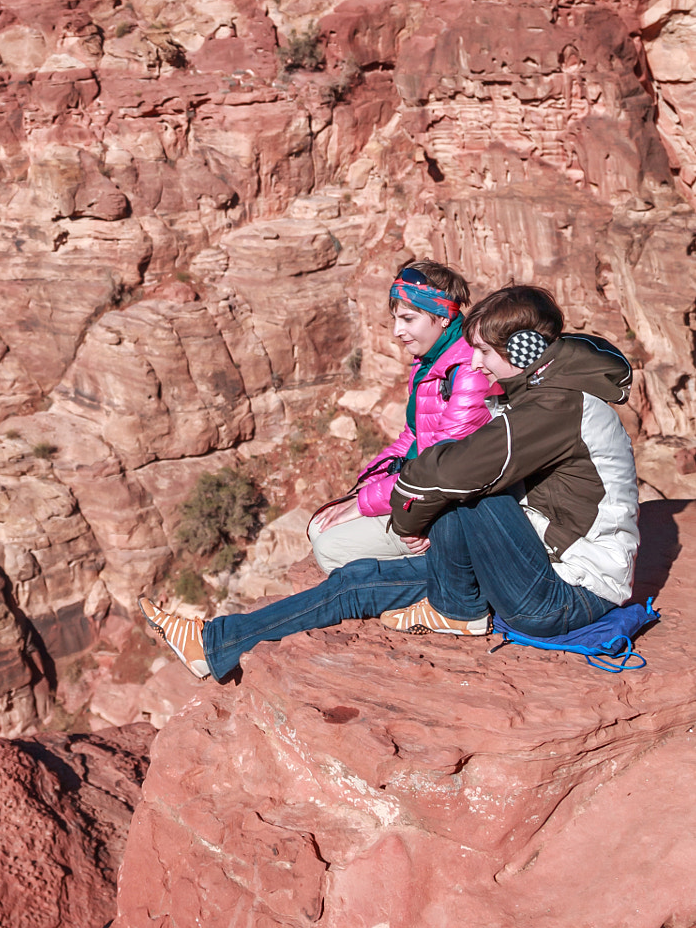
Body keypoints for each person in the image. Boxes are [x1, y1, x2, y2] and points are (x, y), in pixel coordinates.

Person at [138, 285, 638, 681]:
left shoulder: (560, 405)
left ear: (524, 348)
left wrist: (409, 512)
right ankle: (214, 643)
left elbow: (453, 473)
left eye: (485, 350)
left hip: (567, 593)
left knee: (463, 487)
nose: (478, 362)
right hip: (525, 565)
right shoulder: (533, 396)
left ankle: (459, 609)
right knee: (357, 583)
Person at [307, 259, 498, 572]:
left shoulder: (467, 373)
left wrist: (364, 504)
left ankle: (434, 591)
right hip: (423, 491)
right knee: (321, 526)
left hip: (450, 508)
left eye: (408, 319)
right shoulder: (430, 363)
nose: (397, 331)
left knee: (330, 546)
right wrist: (362, 491)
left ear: (444, 317)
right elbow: (412, 436)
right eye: (396, 319)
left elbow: (440, 464)